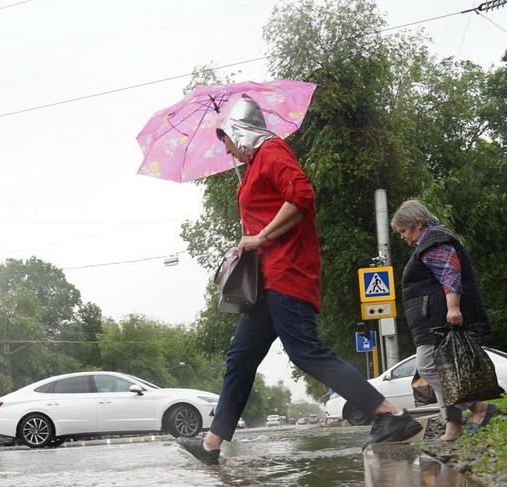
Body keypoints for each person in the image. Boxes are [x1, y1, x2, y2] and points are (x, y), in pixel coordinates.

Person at [175, 95, 422, 465]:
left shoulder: (273, 151)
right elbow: (270, 209)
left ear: (239, 131)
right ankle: (211, 444)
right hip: (264, 282)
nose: (225, 151)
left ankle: (391, 413)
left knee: (306, 352)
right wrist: (250, 239)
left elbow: (302, 195)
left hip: (287, 274)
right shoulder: (255, 163)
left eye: (224, 140)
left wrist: (261, 237)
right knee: (240, 358)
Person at [390, 200, 497, 441]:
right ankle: (453, 427)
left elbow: (450, 274)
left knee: (429, 366)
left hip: (438, 318)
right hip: (432, 318)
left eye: (404, 231)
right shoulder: (430, 241)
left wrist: (453, 307)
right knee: (442, 368)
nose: (403, 237)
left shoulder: (434, 241)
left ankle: (479, 407)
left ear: (418, 223)